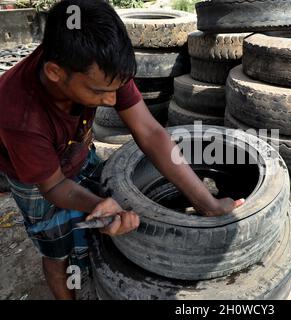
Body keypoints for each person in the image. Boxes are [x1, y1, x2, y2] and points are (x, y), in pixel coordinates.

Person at [0, 0, 244, 300]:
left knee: (94, 230)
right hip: (35, 181)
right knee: (57, 248)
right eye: (100, 93)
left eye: (116, 88)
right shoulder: (18, 115)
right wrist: (98, 204)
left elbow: (151, 133)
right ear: (54, 73)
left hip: (77, 150)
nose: (113, 101)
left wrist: (207, 202)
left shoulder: (102, 66)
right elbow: (53, 186)